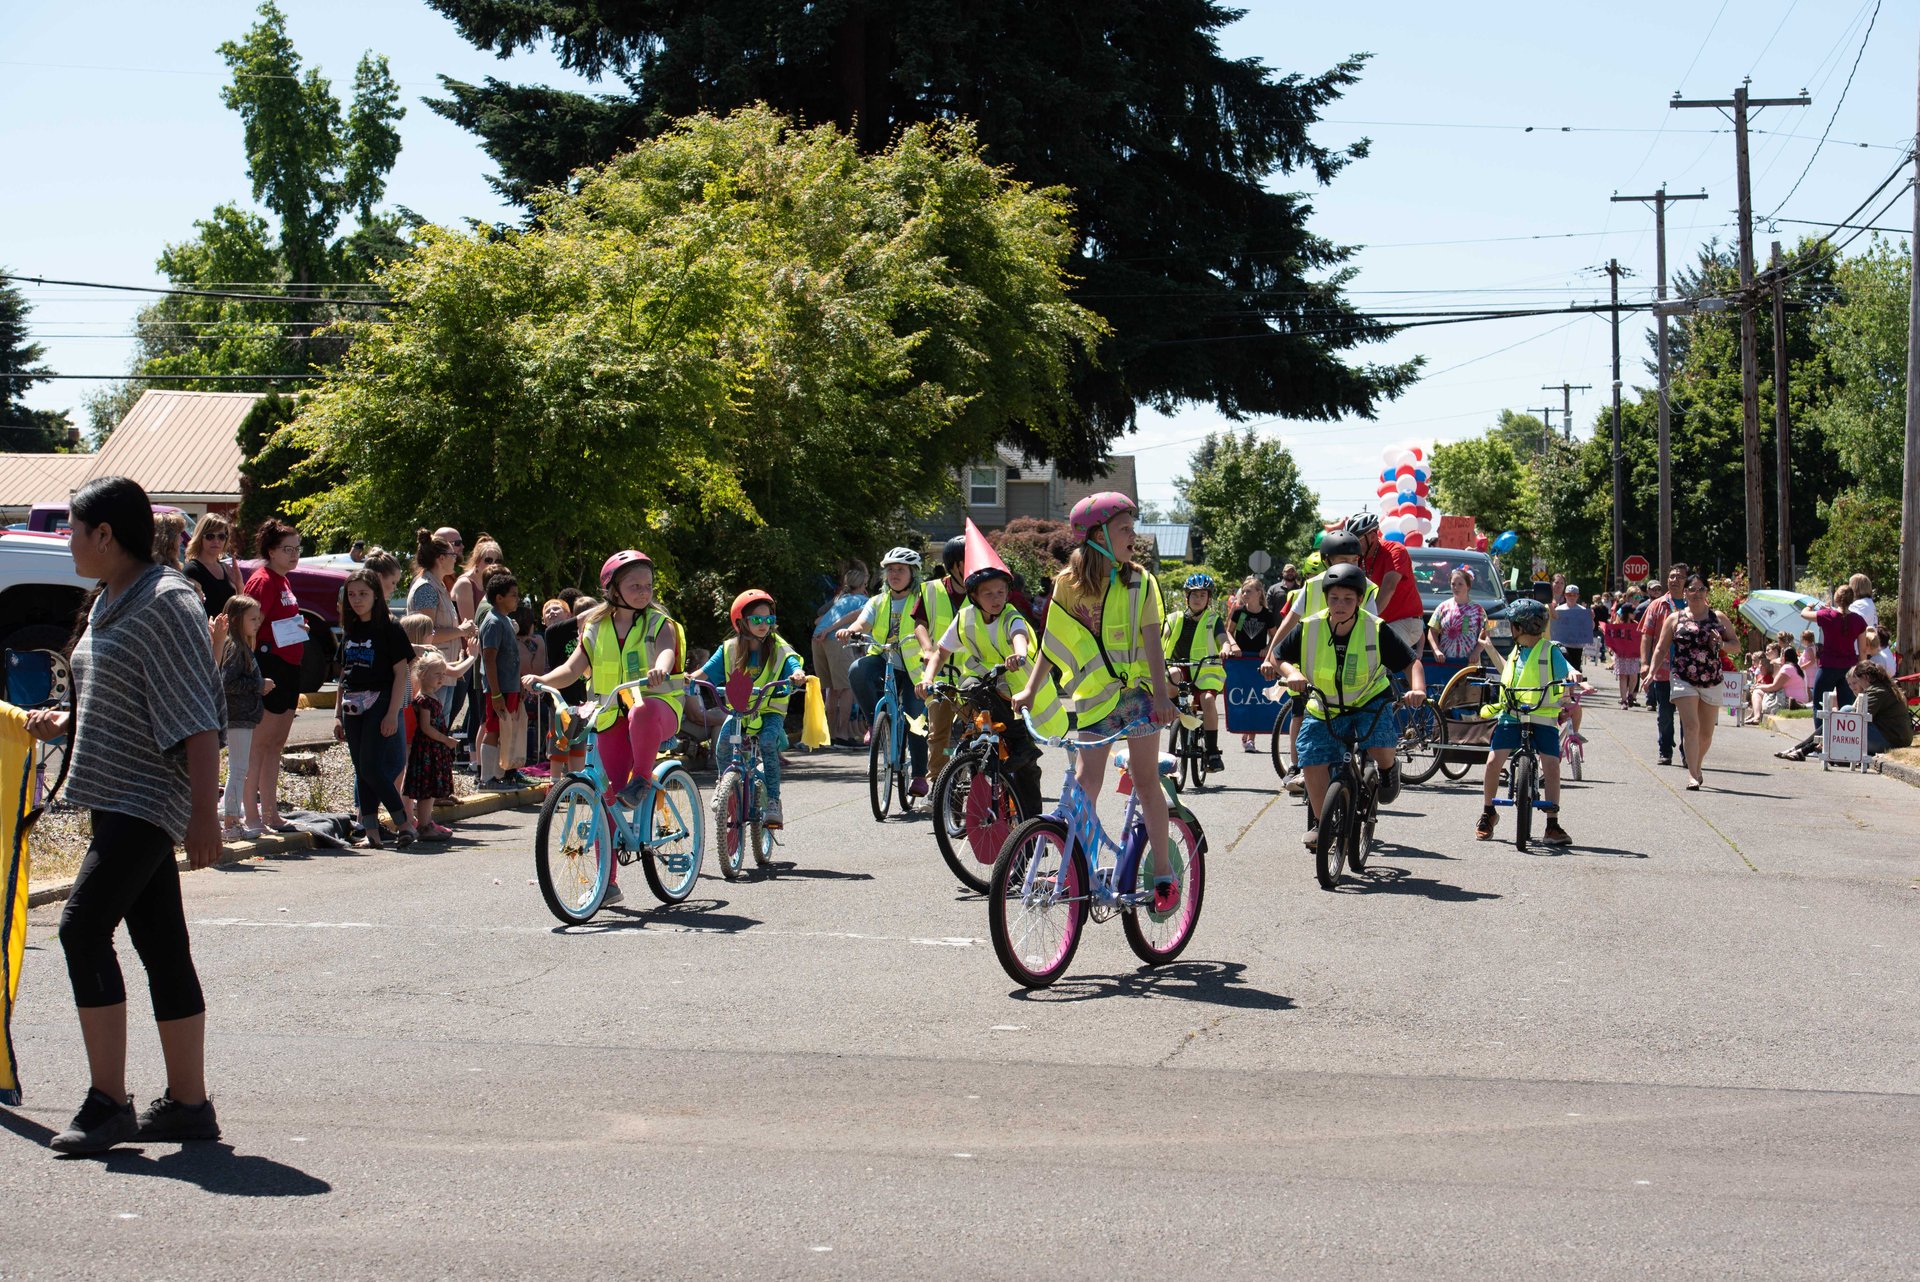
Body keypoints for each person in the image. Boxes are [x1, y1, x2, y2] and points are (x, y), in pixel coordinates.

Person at [24, 477, 224, 1154]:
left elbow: (198, 716)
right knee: (163, 947)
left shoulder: (166, 600)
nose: (68, 541)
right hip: (113, 795)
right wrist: (67, 722)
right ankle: (189, 1107)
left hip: (147, 799)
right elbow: (120, 690)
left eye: (73, 529)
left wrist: (207, 813)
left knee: (81, 931)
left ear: (106, 534)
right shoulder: (112, 597)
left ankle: (108, 1102)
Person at [1011, 492, 1180, 909]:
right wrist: (1031, 688)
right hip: (1096, 700)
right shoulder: (1066, 586)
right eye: (1125, 529)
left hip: (1140, 697)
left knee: (1145, 782)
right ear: (1099, 535)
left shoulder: (1141, 580)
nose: (1133, 536)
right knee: (1086, 782)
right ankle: (1079, 866)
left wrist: (1161, 696)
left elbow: (1153, 644)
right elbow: (1052, 643)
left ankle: (1163, 873)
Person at [523, 551, 684, 906]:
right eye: (634, 585)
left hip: (658, 709)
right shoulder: (596, 626)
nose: (644, 591)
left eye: (648, 585)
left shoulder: (659, 623)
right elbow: (572, 667)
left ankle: (642, 779)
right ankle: (607, 884)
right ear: (613, 590)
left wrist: (660, 667)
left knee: (641, 712)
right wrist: (541, 679)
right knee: (605, 796)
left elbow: (666, 653)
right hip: (611, 714)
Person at [1274, 563, 1427, 850]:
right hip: (1325, 704)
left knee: (1381, 745)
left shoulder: (1376, 628)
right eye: (1334, 599)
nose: (1340, 605)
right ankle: (1322, 824)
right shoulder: (1310, 627)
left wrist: (1417, 689)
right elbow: (1278, 655)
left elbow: (1411, 663)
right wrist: (1291, 673)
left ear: (1359, 600)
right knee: (1312, 757)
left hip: (1370, 700)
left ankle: (1387, 769)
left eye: (1348, 599)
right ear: (1326, 599)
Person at [917, 523, 1042, 816]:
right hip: (983, 685)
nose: (997, 598)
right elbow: (940, 652)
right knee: (971, 693)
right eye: (989, 593)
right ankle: (969, 779)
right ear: (973, 596)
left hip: (1017, 692)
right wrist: (926, 678)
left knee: (1027, 771)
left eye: (1001, 591)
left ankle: (1034, 829)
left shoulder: (1011, 615)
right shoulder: (964, 618)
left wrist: (1018, 655)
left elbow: (1019, 636)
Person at [1263, 531, 1375, 793]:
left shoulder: (1365, 587)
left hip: (1350, 662)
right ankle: (1296, 765)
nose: (1347, 565)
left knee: (1359, 715)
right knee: (1300, 711)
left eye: (1352, 560)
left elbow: (1375, 629)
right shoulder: (1312, 586)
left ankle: (1365, 760)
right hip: (1311, 663)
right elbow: (1289, 621)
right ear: (1327, 561)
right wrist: (1271, 654)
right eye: (1340, 560)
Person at [697, 591, 805, 829]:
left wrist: (797, 674)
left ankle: (774, 800)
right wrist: (688, 679)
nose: (764, 625)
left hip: (770, 710)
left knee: (767, 742)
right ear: (741, 622)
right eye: (757, 620)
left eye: (769, 620)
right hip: (740, 711)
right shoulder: (728, 649)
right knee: (723, 744)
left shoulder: (778, 646)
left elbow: (792, 661)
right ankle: (724, 784)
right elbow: (704, 673)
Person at [1474, 598, 1572, 845]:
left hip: (1543, 715)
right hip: (1513, 714)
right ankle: (1488, 812)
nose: (1510, 629)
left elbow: (1567, 671)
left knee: (1552, 765)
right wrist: (1490, 649)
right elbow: (1507, 671)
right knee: (1493, 761)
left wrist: (1575, 680)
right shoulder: (1517, 651)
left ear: (1519, 627)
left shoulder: (1550, 650)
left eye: (1512, 624)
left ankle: (1552, 823)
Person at [839, 548, 934, 796]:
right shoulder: (878, 601)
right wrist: (851, 630)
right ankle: (876, 723)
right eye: (890, 570)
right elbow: (863, 622)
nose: (894, 574)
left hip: (914, 668)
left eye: (900, 569)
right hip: (885, 660)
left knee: (916, 717)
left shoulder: (924, 599)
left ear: (912, 573)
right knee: (857, 670)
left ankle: (919, 776)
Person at [333, 568, 416, 846]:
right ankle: (371, 832)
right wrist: (337, 716)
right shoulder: (350, 629)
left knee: (371, 767)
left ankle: (404, 824)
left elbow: (402, 673)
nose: (357, 600)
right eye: (352, 594)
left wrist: (392, 713)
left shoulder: (390, 628)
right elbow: (344, 675)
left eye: (363, 594)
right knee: (362, 769)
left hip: (379, 700)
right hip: (352, 704)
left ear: (376, 596)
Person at [242, 518, 307, 832]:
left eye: (297, 548)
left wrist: (298, 629)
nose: (294, 554)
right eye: (287, 549)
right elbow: (249, 627)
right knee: (259, 745)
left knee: (276, 744)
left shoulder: (284, 580)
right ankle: (250, 816)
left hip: (289, 667)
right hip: (270, 667)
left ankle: (271, 813)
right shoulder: (263, 580)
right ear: (271, 550)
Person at [1653, 574, 1739, 790]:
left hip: (1712, 678)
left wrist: (1722, 644)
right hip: (1683, 677)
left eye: (1701, 589)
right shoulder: (1675, 618)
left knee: (1706, 734)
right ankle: (1692, 775)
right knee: (1691, 726)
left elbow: (1736, 645)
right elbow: (1661, 648)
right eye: (1692, 589)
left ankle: (1697, 765)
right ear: (1685, 592)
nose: (1697, 593)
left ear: (1706, 593)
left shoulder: (1718, 617)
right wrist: (1649, 671)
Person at [407, 529, 475, 724]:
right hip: (432, 676)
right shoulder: (427, 588)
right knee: (434, 730)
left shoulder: (438, 585)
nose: (456, 559)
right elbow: (426, 635)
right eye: (452, 555)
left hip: (441, 672)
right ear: (441, 558)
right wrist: (461, 630)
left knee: (440, 727)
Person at [1162, 572, 1229, 772]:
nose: (1198, 599)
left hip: (1205, 669)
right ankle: (1174, 713)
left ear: (1208, 598)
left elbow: (1222, 638)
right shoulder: (1173, 619)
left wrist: (1225, 647)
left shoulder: (1213, 619)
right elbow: (1161, 636)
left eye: (1202, 595)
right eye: (1194, 595)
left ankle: (1212, 751)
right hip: (1179, 665)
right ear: (1186, 597)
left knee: (1208, 700)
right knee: (1172, 675)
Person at [216, 594, 269, 839]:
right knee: (238, 769)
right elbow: (227, 682)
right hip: (237, 716)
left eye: (259, 618)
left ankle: (232, 819)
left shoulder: (241, 646)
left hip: (243, 717)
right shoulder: (236, 648)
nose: (257, 622)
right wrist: (258, 684)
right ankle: (230, 822)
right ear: (237, 620)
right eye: (252, 618)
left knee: (239, 768)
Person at [920, 536, 970, 778]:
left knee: (972, 728)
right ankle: (938, 783)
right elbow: (919, 623)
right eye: (967, 562)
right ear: (954, 565)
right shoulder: (932, 589)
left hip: (972, 675)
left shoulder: (982, 590)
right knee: (938, 731)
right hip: (939, 672)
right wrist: (927, 648)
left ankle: (971, 777)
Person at [1345, 511, 1426, 651]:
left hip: (1406, 621)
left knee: (1375, 651)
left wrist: (1364, 621)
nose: (1353, 545)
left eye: (1357, 541)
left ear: (1372, 536)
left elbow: (1389, 588)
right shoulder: (1358, 559)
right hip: (1380, 621)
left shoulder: (1395, 551)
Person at [476, 572, 527, 790]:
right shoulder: (493, 622)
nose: (517, 599)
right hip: (499, 689)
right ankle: (487, 779)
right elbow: (489, 659)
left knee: (506, 732)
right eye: (513, 595)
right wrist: (495, 693)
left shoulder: (505, 619)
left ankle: (499, 776)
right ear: (499, 597)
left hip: (510, 687)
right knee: (494, 729)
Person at [811, 559, 870, 746]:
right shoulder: (864, 600)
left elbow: (819, 618)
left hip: (817, 638)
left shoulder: (841, 599)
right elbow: (854, 616)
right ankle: (843, 735)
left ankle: (831, 734)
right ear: (864, 584)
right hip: (833, 639)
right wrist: (831, 629)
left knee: (831, 689)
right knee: (846, 688)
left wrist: (825, 628)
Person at [404, 652, 460, 841]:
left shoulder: (431, 697)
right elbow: (426, 727)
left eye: (443, 675)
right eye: (437, 674)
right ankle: (424, 825)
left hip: (433, 749)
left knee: (430, 790)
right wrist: (446, 740)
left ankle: (427, 822)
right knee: (426, 790)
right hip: (427, 748)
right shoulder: (424, 700)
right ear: (423, 674)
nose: (441, 679)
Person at [1639, 563, 1689, 765]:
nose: (1675, 580)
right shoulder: (1657, 605)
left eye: (1679, 577)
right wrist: (1645, 663)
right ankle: (1665, 750)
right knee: (1665, 714)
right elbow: (1646, 635)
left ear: (1686, 581)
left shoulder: (1693, 604)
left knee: (1688, 717)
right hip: (1663, 670)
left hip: (1688, 671)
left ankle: (1688, 754)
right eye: (1671, 576)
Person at [1223, 576, 1274, 753]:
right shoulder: (1239, 612)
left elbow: (1275, 636)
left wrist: (1267, 649)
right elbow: (1228, 632)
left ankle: (1251, 738)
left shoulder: (1267, 615)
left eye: (1248, 591)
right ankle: (1244, 730)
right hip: (1240, 660)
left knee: (1255, 699)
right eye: (1243, 591)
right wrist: (1233, 645)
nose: (1244, 594)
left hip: (1258, 661)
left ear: (1259, 593)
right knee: (1242, 696)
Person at [1427, 566, 1500, 668]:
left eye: (1460, 584)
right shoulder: (1442, 607)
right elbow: (1432, 631)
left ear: (1468, 586)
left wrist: (1476, 652)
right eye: (1453, 584)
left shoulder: (1478, 610)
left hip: (1470, 664)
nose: (1456, 587)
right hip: (1447, 663)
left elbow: (1486, 634)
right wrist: (1436, 650)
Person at [182, 512, 244, 619]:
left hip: (228, 633)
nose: (216, 541)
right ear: (200, 538)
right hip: (206, 633)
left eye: (221, 536)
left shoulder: (226, 568)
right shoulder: (192, 570)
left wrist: (239, 585)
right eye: (210, 536)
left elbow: (238, 608)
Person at [1849, 661, 1914, 754]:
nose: (1858, 684)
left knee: (1847, 712)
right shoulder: (1885, 687)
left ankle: (1830, 744)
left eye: (1857, 680)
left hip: (1892, 741)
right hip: (1897, 737)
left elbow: (1857, 718)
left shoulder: (1876, 691)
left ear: (1865, 677)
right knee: (1847, 711)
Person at [1551, 584, 1595, 670]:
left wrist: (1591, 619)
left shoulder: (1583, 610)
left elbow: (1590, 628)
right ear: (1565, 596)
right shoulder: (1558, 610)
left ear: (1578, 596)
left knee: (1575, 669)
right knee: (1562, 670)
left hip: (1577, 646)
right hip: (1562, 645)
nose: (1571, 597)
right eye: (1569, 594)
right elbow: (1554, 627)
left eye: (1574, 595)